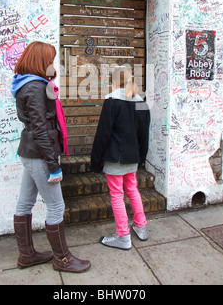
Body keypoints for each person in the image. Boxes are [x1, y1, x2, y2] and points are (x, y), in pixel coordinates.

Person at [10, 41, 91, 273]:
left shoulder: (25, 83)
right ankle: (62, 259)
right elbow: (40, 128)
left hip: (31, 152)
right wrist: (53, 164)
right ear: (41, 61)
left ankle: (27, 255)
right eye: (50, 60)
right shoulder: (35, 87)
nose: (52, 64)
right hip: (39, 154)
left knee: (25, 203)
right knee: (56, 206)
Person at [91, 67, 150, 250]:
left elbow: (103, 134)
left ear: (114, 82)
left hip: (115, 158)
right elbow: (144, 134)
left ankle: (123, 236)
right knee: (132, 190)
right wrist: (141, 157)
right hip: (132, 157)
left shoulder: (112, 101)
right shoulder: (141, 102)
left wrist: (96, 159)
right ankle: (141, 227)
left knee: (117, 194)